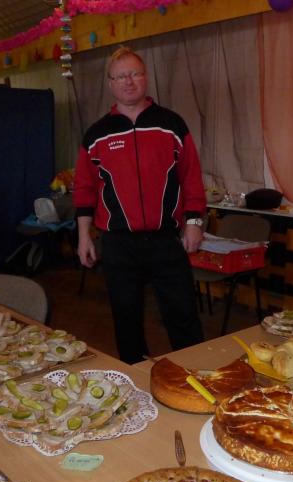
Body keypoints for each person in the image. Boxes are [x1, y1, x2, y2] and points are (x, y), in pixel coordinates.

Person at [73, 46, 206, 364]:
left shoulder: (171, 125)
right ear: (110, 83)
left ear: (145, 77)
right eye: (120, 76)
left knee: (183, 314)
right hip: (118, 243)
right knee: (126, 318)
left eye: (134, 73)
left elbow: (191, 178)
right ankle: (135, 374)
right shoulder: (97, 135)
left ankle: (194, 375)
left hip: (165, 241)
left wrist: (194, 223)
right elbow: (85, 189)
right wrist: (83, 236)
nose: (128, 81)